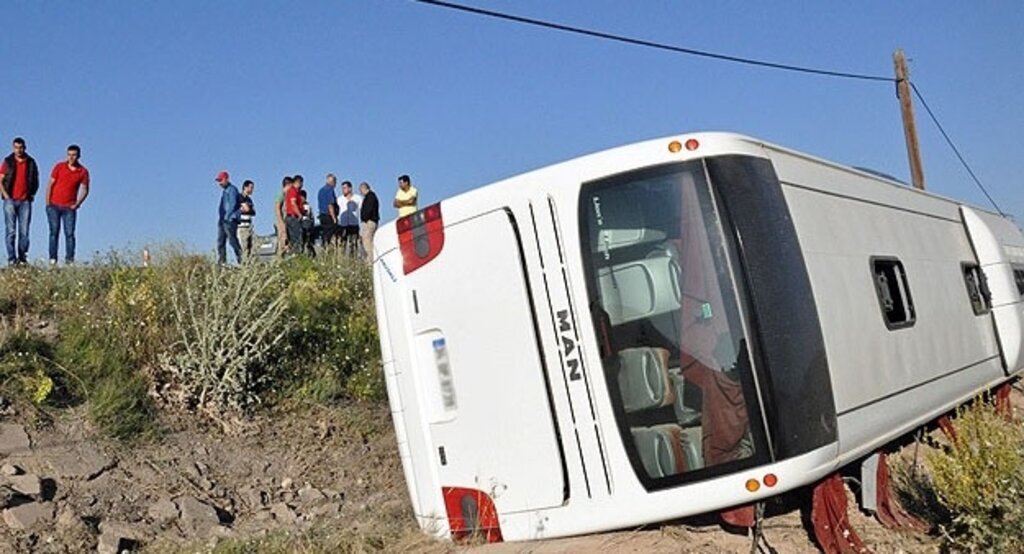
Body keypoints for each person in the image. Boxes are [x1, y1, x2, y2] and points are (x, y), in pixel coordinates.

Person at [44, 144, 91, 266]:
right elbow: (50, 183)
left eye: (74, 155)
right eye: (69, 155)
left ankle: (69, 260)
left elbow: (85, 189)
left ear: (78, 156)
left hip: (69, 207)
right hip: (54, 205)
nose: (71, 157)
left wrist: (78, 203)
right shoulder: (59, 167)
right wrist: (47, 202)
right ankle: (53, 259)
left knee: (69, 234)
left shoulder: (83, 171)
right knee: (54, 232)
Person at [0, 137, 40, 265]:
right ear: (13, 148)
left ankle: (22, 258)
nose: (19, 150)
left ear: (25, 148)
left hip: (25, 201)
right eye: (16, 147)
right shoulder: (8, 162)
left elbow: (35, 180)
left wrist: (32, 194)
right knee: (10, 231)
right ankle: (12, 258)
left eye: (21, 147)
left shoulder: (31, 162)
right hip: (10, 200)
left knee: (24, 232)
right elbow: (0, 180)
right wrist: (5, 195)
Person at [215, 170, 242, 264]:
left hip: (230, 220)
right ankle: (222, 262)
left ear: (226, 179)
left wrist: (227, 216)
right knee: (220, 242)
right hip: (222, 220)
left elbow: (232, 204)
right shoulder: (224, 192)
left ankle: (241, 260)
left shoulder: (232, 189)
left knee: (232, 240)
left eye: (221, 180)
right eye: (219, 181)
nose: (220, 183)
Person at [337, 180, 362, 256]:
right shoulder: (339, 199)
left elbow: (361, 210)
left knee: (353, 244)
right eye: (342, 188)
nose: (343, 190)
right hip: (343, 224)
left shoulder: (358, 198)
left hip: (353, 223)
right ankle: (341, 259)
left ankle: (353, 259)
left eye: (345, 188)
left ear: (350, 188)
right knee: (342, 244)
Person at [359, 181, 379, 261]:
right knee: (367, 241)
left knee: (367, 242)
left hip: (369, 222)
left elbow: (369, 209)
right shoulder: (370, 197)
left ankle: (370, 261)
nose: (360, 192)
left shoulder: (370, 197)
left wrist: (365, 219)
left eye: (360, 190)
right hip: (370, 221)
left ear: (364, 188)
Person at [284, 175, 304, 255]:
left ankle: (293, 255)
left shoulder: (292, 191)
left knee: (292, 239)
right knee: (297, 239)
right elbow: (293, 203)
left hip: (290, 217)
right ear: (299, 182)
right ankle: (296, 255)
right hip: (293, 217)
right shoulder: (293, 191)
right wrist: (299, 215)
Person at [317, 174, 339, 247]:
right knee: (330, 235)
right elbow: (330, 205)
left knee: (324, 234)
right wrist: (334, 218)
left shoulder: (321, 190)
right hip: (328, 216)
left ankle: (324, 248)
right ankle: (328, 250)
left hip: (322, 215)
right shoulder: (329, 190)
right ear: (333, 182)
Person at [237, 180, 256, 261]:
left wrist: (247, 209)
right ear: (245, 187)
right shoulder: (239, 197)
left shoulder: (249, 199)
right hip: (241, 226)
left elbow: (253, 212)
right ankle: (244, 266)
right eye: (251, 187)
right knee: (243, 248)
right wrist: (245, 209)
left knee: (252, 247)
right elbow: (246, 209)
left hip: (249, 226)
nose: (252, 190)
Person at [274, 176, 291, 257]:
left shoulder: (286, 195)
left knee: (287, 242)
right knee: (282, 241)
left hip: (285, 221)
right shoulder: (280, 194)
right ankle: (279, 259)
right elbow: (277, 208)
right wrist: (281, 222)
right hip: (280, 222)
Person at [299, 189, 316, 257]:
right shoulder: (298, 205)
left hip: (307, 225)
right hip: (301, 225)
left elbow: (311, 216)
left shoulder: (307, 206)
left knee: (307, 242)